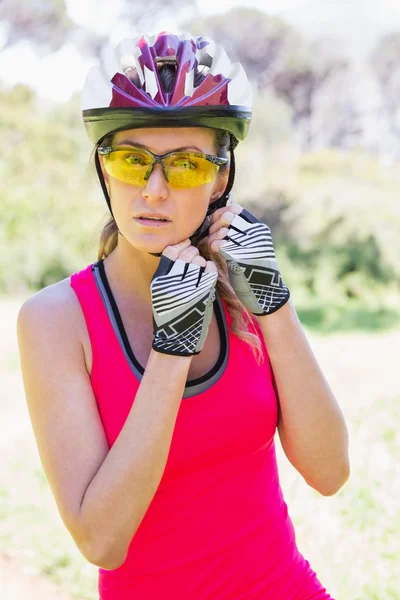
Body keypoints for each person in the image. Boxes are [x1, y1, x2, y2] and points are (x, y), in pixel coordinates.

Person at [16, 31, 350, 599]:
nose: (153, 189)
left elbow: (330, 472)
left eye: (187, 165)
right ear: (103, 168)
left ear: (221, 179)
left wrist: (271, 301)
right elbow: (102, 541)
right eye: (131, 160)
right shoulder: (56, 321)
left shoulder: (243, 291)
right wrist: (172, 352)